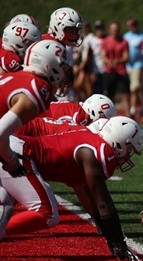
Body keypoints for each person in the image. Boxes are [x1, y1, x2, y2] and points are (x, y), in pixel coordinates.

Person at [1, 116, 143, 261]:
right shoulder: (97, 151)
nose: (127, 157)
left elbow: (94, 201)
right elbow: (103, 202)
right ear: (119, 144)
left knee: (8, 204)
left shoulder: (89, 142)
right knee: (47, 213)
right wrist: (121, 244)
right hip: (19, 154)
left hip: (13, 148)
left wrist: (112, 240)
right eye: (129, 150)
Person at [0, 39, 73, 238]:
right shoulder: (38, 87)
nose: (66, 73)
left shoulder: (19, 77)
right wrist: (11, 161)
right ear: (50, 65)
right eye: (63, 67)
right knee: (42, 211)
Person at [101, 21, 130, 117]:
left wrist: (116, 62)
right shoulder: (105, 41)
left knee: (125, 94)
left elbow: (126, 57)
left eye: (116, 29)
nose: (115, 31)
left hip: (121, 71)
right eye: (113, 29)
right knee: (109, 95)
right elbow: (103, 55)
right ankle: (110, 115)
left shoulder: (124, 42)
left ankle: (128, 116)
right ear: (110, 30)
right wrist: (108, 62)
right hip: (109, 71)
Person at [124, 18, 143, 120]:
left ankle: (133, 110)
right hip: (128, 65)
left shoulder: (142, 36)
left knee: (134, 88)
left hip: (138, 65)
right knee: (136, 89)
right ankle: (142, 108)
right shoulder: (126, 36)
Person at [88, 20, 106, 95]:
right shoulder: (92, 41)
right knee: (97, 93)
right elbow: (89, 58)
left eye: (101, 28)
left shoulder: (107, 39)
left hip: (107, 70)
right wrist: (91, 72)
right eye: (98, 28)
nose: (100, 30)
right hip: (96, 70)